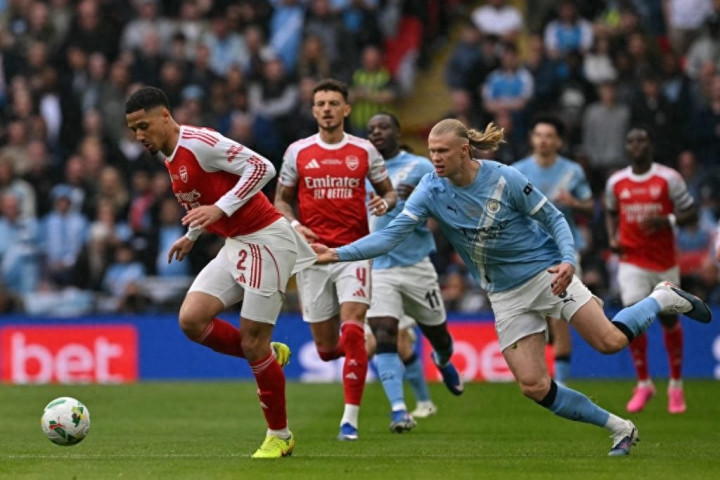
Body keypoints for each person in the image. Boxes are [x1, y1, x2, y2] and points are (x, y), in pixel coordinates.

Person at [311, 118, 712, 456]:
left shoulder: (505, 178)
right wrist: (339, 253)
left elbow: (555, 219)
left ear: (464, 150)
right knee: (534, 385)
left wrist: (569, 261)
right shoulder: (430, 190)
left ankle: (662, 296)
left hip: (546, 274)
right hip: (504, 294)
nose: (435, 158)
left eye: (442, 151)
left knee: (609, 342)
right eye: (431, 151)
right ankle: (619, 428)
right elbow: (390, 235)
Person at [125, 86, 316, 458]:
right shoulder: (168, 156)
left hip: (267, 240)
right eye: (133, 130)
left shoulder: (200, 143)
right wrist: (192, 235)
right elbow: (203, 198)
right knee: (191, 320)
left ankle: (280, 435)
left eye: (143, 126)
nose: (139, 136)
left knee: (253, 342)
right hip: (237, 242)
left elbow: (263, 167)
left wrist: (220, 210)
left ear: (165, 116)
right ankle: (266, 355)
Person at [274, 78, 397, 441]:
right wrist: (295, 225)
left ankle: (350, 421)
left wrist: (384, 203)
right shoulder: (298, 152)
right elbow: (281, 200)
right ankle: (362, 347)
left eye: (333, 103)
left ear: (346, 109)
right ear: (313, 111)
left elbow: (389, 193)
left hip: (354, 251)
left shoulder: (364, 150)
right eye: (321, 104)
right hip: (313, 256)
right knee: (327, 351)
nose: (327, 109)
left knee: (353, 327)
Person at [363, 112, 463, 432]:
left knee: (439, 337)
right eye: (371, 129)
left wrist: (417, 202)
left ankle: (443, 360)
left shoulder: (420, 167)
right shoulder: (361, 171)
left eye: (383, 127)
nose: (377, 132)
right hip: (378, 268)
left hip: (416, 265)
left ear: (397, 131)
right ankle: (399, 409)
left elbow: (447, 206)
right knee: (384, 334)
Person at [605, 127, 699, 414]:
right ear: (626, 147)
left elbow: (691, 212)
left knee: (669, 321)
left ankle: (676, 385)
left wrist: (667, 220)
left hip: (664, 262)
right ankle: (644, 383)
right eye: (631, 141)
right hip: (631, 260)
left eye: (641, 140)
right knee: (634, 318)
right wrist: (612, 237)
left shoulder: (669, 178)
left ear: (650, 146)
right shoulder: (616, 182)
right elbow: (610, 211)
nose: (636, 145)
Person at [513, 116, 595, 385]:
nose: (543, 141)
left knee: (559, 317)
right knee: (538, 318)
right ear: (531, 139)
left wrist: (574, 203)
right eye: (539, 135)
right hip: (528, 253)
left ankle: (560, 383)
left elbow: (591, 207)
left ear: (558, 141)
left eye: (549, 136)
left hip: (564, 252)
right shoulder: (517, 171)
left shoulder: (572, 171)